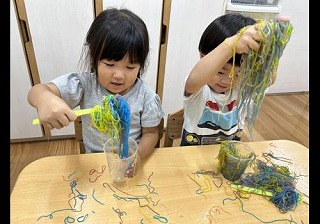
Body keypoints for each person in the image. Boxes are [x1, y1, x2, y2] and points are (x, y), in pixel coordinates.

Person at [27, 8, 165, 163]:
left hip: (129, 160)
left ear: (141, 65)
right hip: (93, 161)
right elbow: (37, 91)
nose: (119, 75)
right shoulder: (85, 85)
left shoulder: (145, 96)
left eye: (130, 67)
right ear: (94, 57)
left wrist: (136, 156)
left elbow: (151, 133)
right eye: (110, 64)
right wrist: (44, 99)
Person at [180, 13, 290, 146]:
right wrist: (232, 44)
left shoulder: (243, 88)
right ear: (203, 57)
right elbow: (193, 81)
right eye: (220, 71)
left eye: (238, 74)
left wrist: (273, 48)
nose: (227, 81)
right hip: (191, 154)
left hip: (227, 156)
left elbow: (268, 79)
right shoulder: (200, 88)